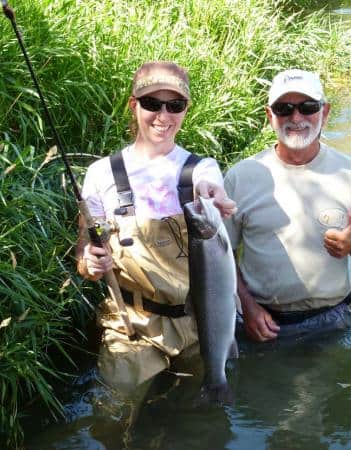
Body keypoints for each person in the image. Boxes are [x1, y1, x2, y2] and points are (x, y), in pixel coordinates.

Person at [76, 61, 236, 393]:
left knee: (199, 425)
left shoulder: (200, 169)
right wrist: (89, 263)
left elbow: (210, 185)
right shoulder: (100, 174)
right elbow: (83, 255)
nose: (163, 115)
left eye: (174, 105)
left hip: (197, 323)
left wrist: (213, 195)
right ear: (134, 105)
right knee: (114, 420)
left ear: (185, 109)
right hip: (130, 325)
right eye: (152, 104)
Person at [224, 69, 351, 342]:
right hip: (258, 323)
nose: (296, 118)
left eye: (308, 107)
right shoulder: (241, 176)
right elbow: (221, 255)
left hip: (332, 322)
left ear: (325, 112)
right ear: (270, 116)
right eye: (284, 108)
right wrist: (247, 305)